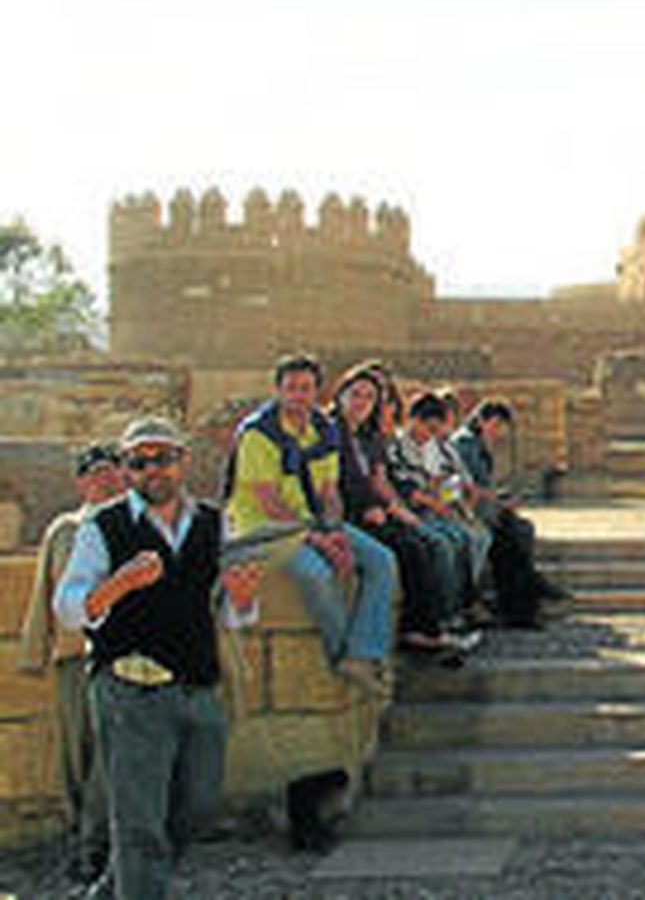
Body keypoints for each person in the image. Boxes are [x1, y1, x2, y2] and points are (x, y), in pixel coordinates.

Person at [53, 417, 263, 900]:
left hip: (196, 686)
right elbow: (68, 608)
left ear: (182, 461)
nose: (152, 470)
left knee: (198, 807)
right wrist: (117, 585)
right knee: (139, 825)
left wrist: (243, 596)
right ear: (126, 469)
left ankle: (111, 891)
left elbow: (236, 615)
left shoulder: (215, 523)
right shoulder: (103, 527)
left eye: (162, 458)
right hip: (130, 690)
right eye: (139, 461)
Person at [224, 354, 396, 696]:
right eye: (290, 389)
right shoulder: (258, 433)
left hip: (310, 522)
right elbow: (269, 502)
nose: (298, 396)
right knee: (316, 573)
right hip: (262, 530)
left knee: (381, 560)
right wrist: (318, 539)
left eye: (305, 389)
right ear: (278, 391)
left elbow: (329, 492)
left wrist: (334, 530)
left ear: (318, 392)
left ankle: (363, 652)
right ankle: (341, 655)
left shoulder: (323, 429)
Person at [15, 441, 124, 880]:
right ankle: (83, 836)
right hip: (74, 656)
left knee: (112, 757)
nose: (105, 478)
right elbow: (46, 590)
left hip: (122, 655)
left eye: (112, 469)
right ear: (81, 481)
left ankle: (99, 847)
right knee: (75, 755)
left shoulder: (136, 524)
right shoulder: (65, 530)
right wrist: (35, 650)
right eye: (95, 471)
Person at [327, 364, 462, 658]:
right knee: (407, 551)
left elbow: (379, 480)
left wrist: (396, 510)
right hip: (347, 515)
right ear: (340, 396)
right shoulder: (329, 432)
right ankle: (415, 632)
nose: (361, 402)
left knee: (420, 542)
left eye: (368, 397)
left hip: (375, 510)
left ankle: (431, 625)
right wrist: (370, 509)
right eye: (355, 395)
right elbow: (334, 484)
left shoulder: (367, 437)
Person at [450, 399, 570, 626]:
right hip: (470, 513)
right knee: (511, 541)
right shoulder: (466, 444)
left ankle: (528, 596)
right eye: (494, 426)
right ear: (480, 420)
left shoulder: (478, 443)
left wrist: (499, 499)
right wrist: (496, 501)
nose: (496, 433)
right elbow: (466, 486)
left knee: (521, 532)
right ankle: (527, 598)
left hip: (484, 509)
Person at [390, 392, 494, 627]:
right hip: (413, 512)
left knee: (477, 538)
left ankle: (462, 600)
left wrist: (454, 493)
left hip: (439, 508)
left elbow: (449, 480)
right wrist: (433, 494)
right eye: (429, 428)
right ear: (413, 420)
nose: (431, 435)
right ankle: (449, 609)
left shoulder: (434, 446)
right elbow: (405, 487)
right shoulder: (396, 446)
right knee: (451, 542)